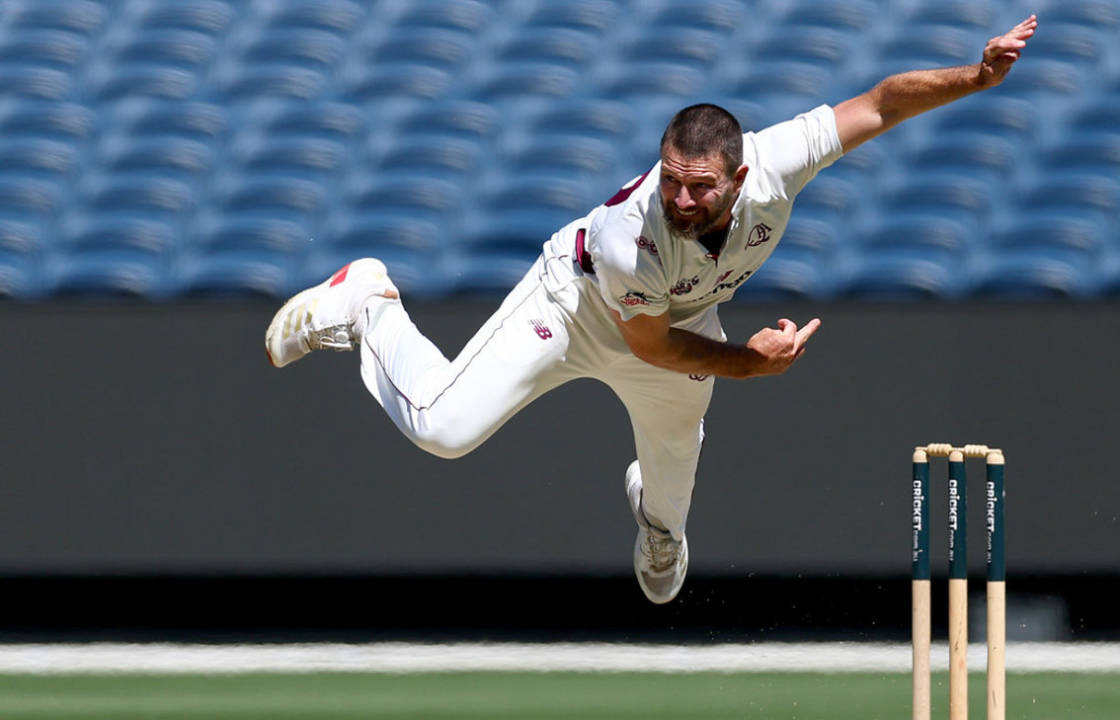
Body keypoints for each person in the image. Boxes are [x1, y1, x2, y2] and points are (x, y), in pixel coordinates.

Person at [265, 16, 1038, 604]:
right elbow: (651, 348)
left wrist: (975, 76)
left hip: (681, 324)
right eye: (671, 178)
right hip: (575, 310)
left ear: (738, 178)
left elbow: (878, 105)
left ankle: (656, 525)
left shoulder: (778, 161)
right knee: (442, 430)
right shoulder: (628, 235)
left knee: (670, 505)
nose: (681, 198)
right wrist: (748, 365)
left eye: (700, 185)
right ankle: (369, 303)